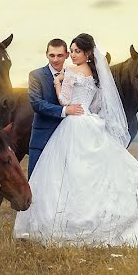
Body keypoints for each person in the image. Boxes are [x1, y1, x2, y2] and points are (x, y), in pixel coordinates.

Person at [14, 33, 138, 247]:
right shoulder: (96, 76)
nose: (73, 55)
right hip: (91, 122)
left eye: (76, 51)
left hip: (74, 123)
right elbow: (97, 105)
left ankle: (69, 219)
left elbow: (65, 101)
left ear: (86, 53)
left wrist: (59, 83)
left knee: (71, 175)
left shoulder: (69, 72)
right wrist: (89, 115)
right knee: (95, 174)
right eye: (73, 51)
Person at [26, 38, 85, 178]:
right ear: (46, 54)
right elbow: (36, 103)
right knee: (37, 181)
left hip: (69, 139)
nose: (55, 59)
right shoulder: (36, 75)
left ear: (66, 55)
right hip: (43, 139)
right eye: (51, 55)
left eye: (59, 55)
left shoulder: (74, 75)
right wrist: (65, 110)